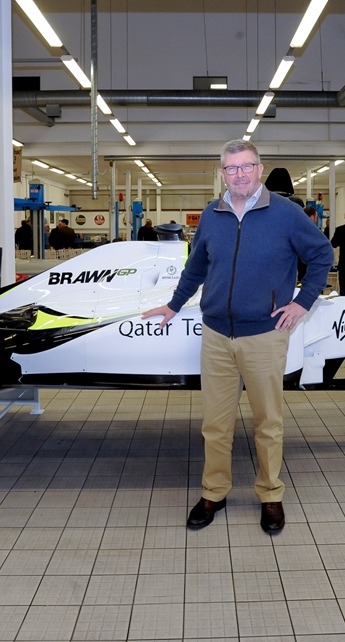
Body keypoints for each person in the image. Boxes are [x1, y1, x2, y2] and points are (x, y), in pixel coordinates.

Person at [142, 140, 333, 534]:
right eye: (231, 168)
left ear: (260, 169)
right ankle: (214, 491)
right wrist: (174, 305)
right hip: (215, 334)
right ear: (222, 173)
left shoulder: (287, 214)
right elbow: (195, 268)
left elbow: (321, 256)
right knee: (215, 423)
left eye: (246, 167)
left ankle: (270, 494)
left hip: (264, 335)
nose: (239, 174)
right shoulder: (212, 215)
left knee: (268, 421)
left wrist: (303, 303)